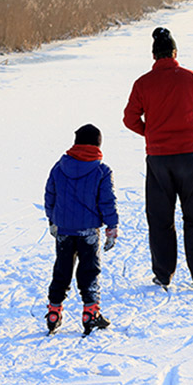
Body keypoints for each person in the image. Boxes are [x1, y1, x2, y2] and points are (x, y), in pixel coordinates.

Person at [123, 27, 193, 288]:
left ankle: (163, 273)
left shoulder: (143, 83)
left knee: (160, 217)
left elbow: (130, 119)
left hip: (158, 159)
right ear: (175, 52)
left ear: (154, 55)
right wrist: (191, 133)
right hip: (190, 155)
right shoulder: (192, 79)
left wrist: (152, 135)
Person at [43, 124, 119, 335]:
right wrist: (111, 227)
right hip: (88, 232)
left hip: (64, 230)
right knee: (89, 271)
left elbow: (50, 195)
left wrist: (52, 219)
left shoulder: (59, 167)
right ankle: (90, 313)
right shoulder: (101, 171)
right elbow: (107, 202)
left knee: (62, 270)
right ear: (97, 144)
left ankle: (54, 312)